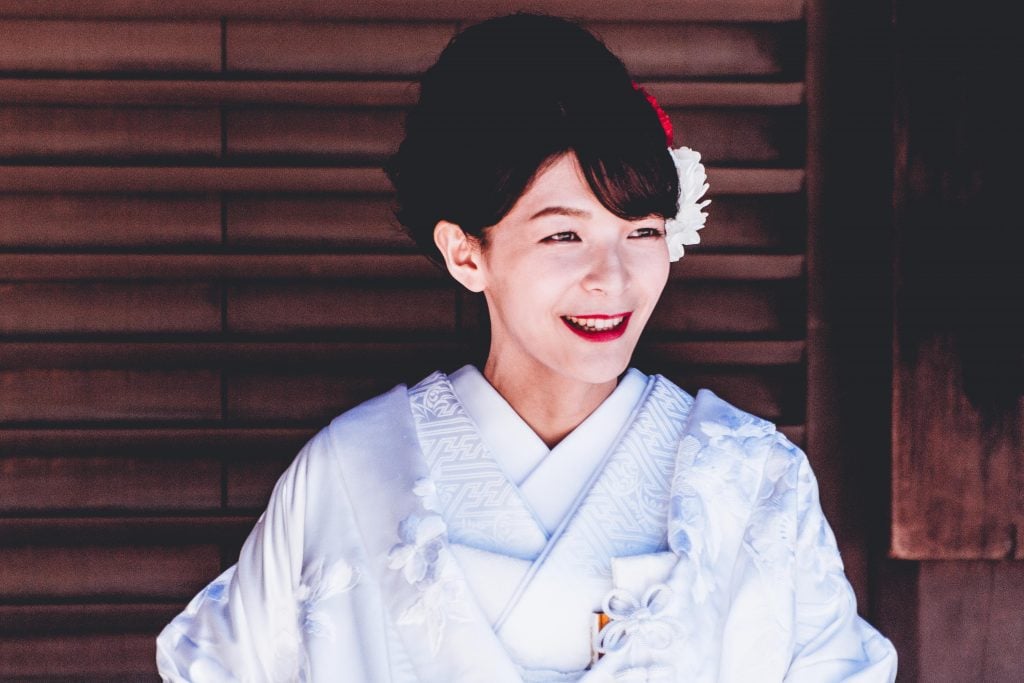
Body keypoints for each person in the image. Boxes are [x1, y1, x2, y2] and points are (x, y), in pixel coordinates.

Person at [156, 13, 897, 682]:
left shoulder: (750, 478)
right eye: (563, 234)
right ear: (466, 253)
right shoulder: (349, 473)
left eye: (641, 231)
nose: (614, 277)